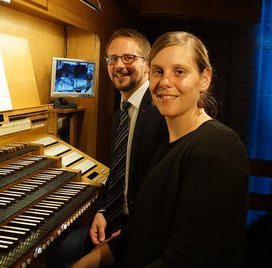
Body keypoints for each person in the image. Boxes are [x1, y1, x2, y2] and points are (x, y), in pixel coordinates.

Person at [71, 31, 249, 268]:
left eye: (179, 72)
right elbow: (143, 228)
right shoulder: (169, 145)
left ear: (204, 79)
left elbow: (185, 260)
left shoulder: (219, 147)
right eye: (159, 72)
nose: (165, 82)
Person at [50, 28, 167, 267]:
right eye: (112, 59)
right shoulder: (121, 114)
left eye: (128, 58)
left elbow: (160, 191)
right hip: (115, 219)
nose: (118, 66)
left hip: (144, 228)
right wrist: (102, 210)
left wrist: (129, 235)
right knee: (60, 251)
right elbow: (117, 172)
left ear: (147, 65)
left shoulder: (160, 111)